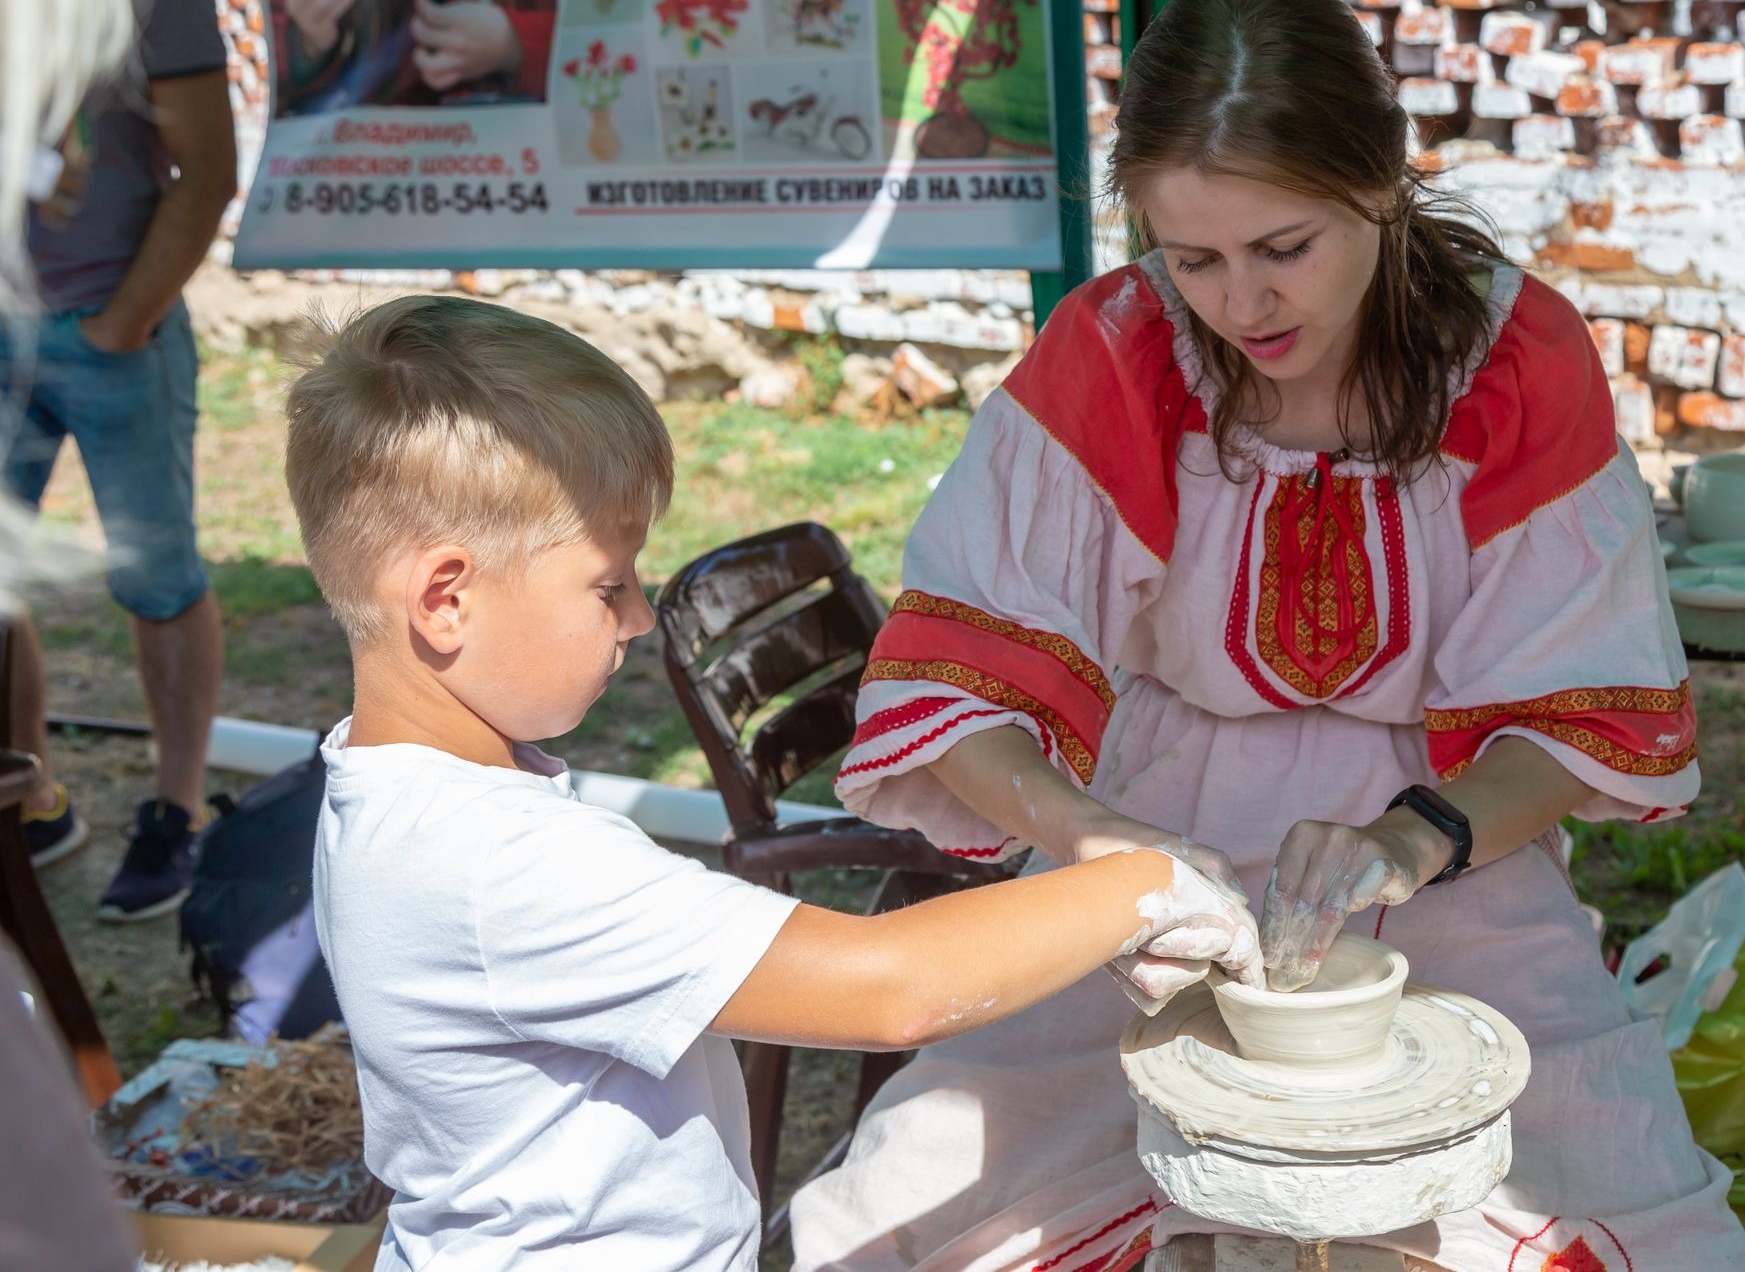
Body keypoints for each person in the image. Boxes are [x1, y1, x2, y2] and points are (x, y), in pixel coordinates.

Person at [788, 0, 1745, 1272]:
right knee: (917, 1206)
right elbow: (959, 683)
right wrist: (1093, 840)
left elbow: (1578, 715)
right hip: (1158, 827)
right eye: (1194, 258)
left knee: (1622, 1203)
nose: (1240, 305)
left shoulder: (1514, 363)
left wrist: (1410, 841)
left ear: (1379, 184)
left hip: (1451, 844)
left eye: (1282, 249)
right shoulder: (1120, 351)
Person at [286, 295, 1264, 1271]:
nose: (637, 618)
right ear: (446, 599)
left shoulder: (386, 793)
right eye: (609, 584)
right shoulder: (506, 866)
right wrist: (1142, 882)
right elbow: (892, 988)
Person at [0, 0, 235, 921]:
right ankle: (30, 800)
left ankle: (177, 810)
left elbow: (207, 171)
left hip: (110, 325)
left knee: (157, 578)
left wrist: (124, 322)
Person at [267, 0, 559, 116]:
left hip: (511, 165)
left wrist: (516, 43)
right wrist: (307, 42)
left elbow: (584, 40)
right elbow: (266, 55)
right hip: (361, 167)